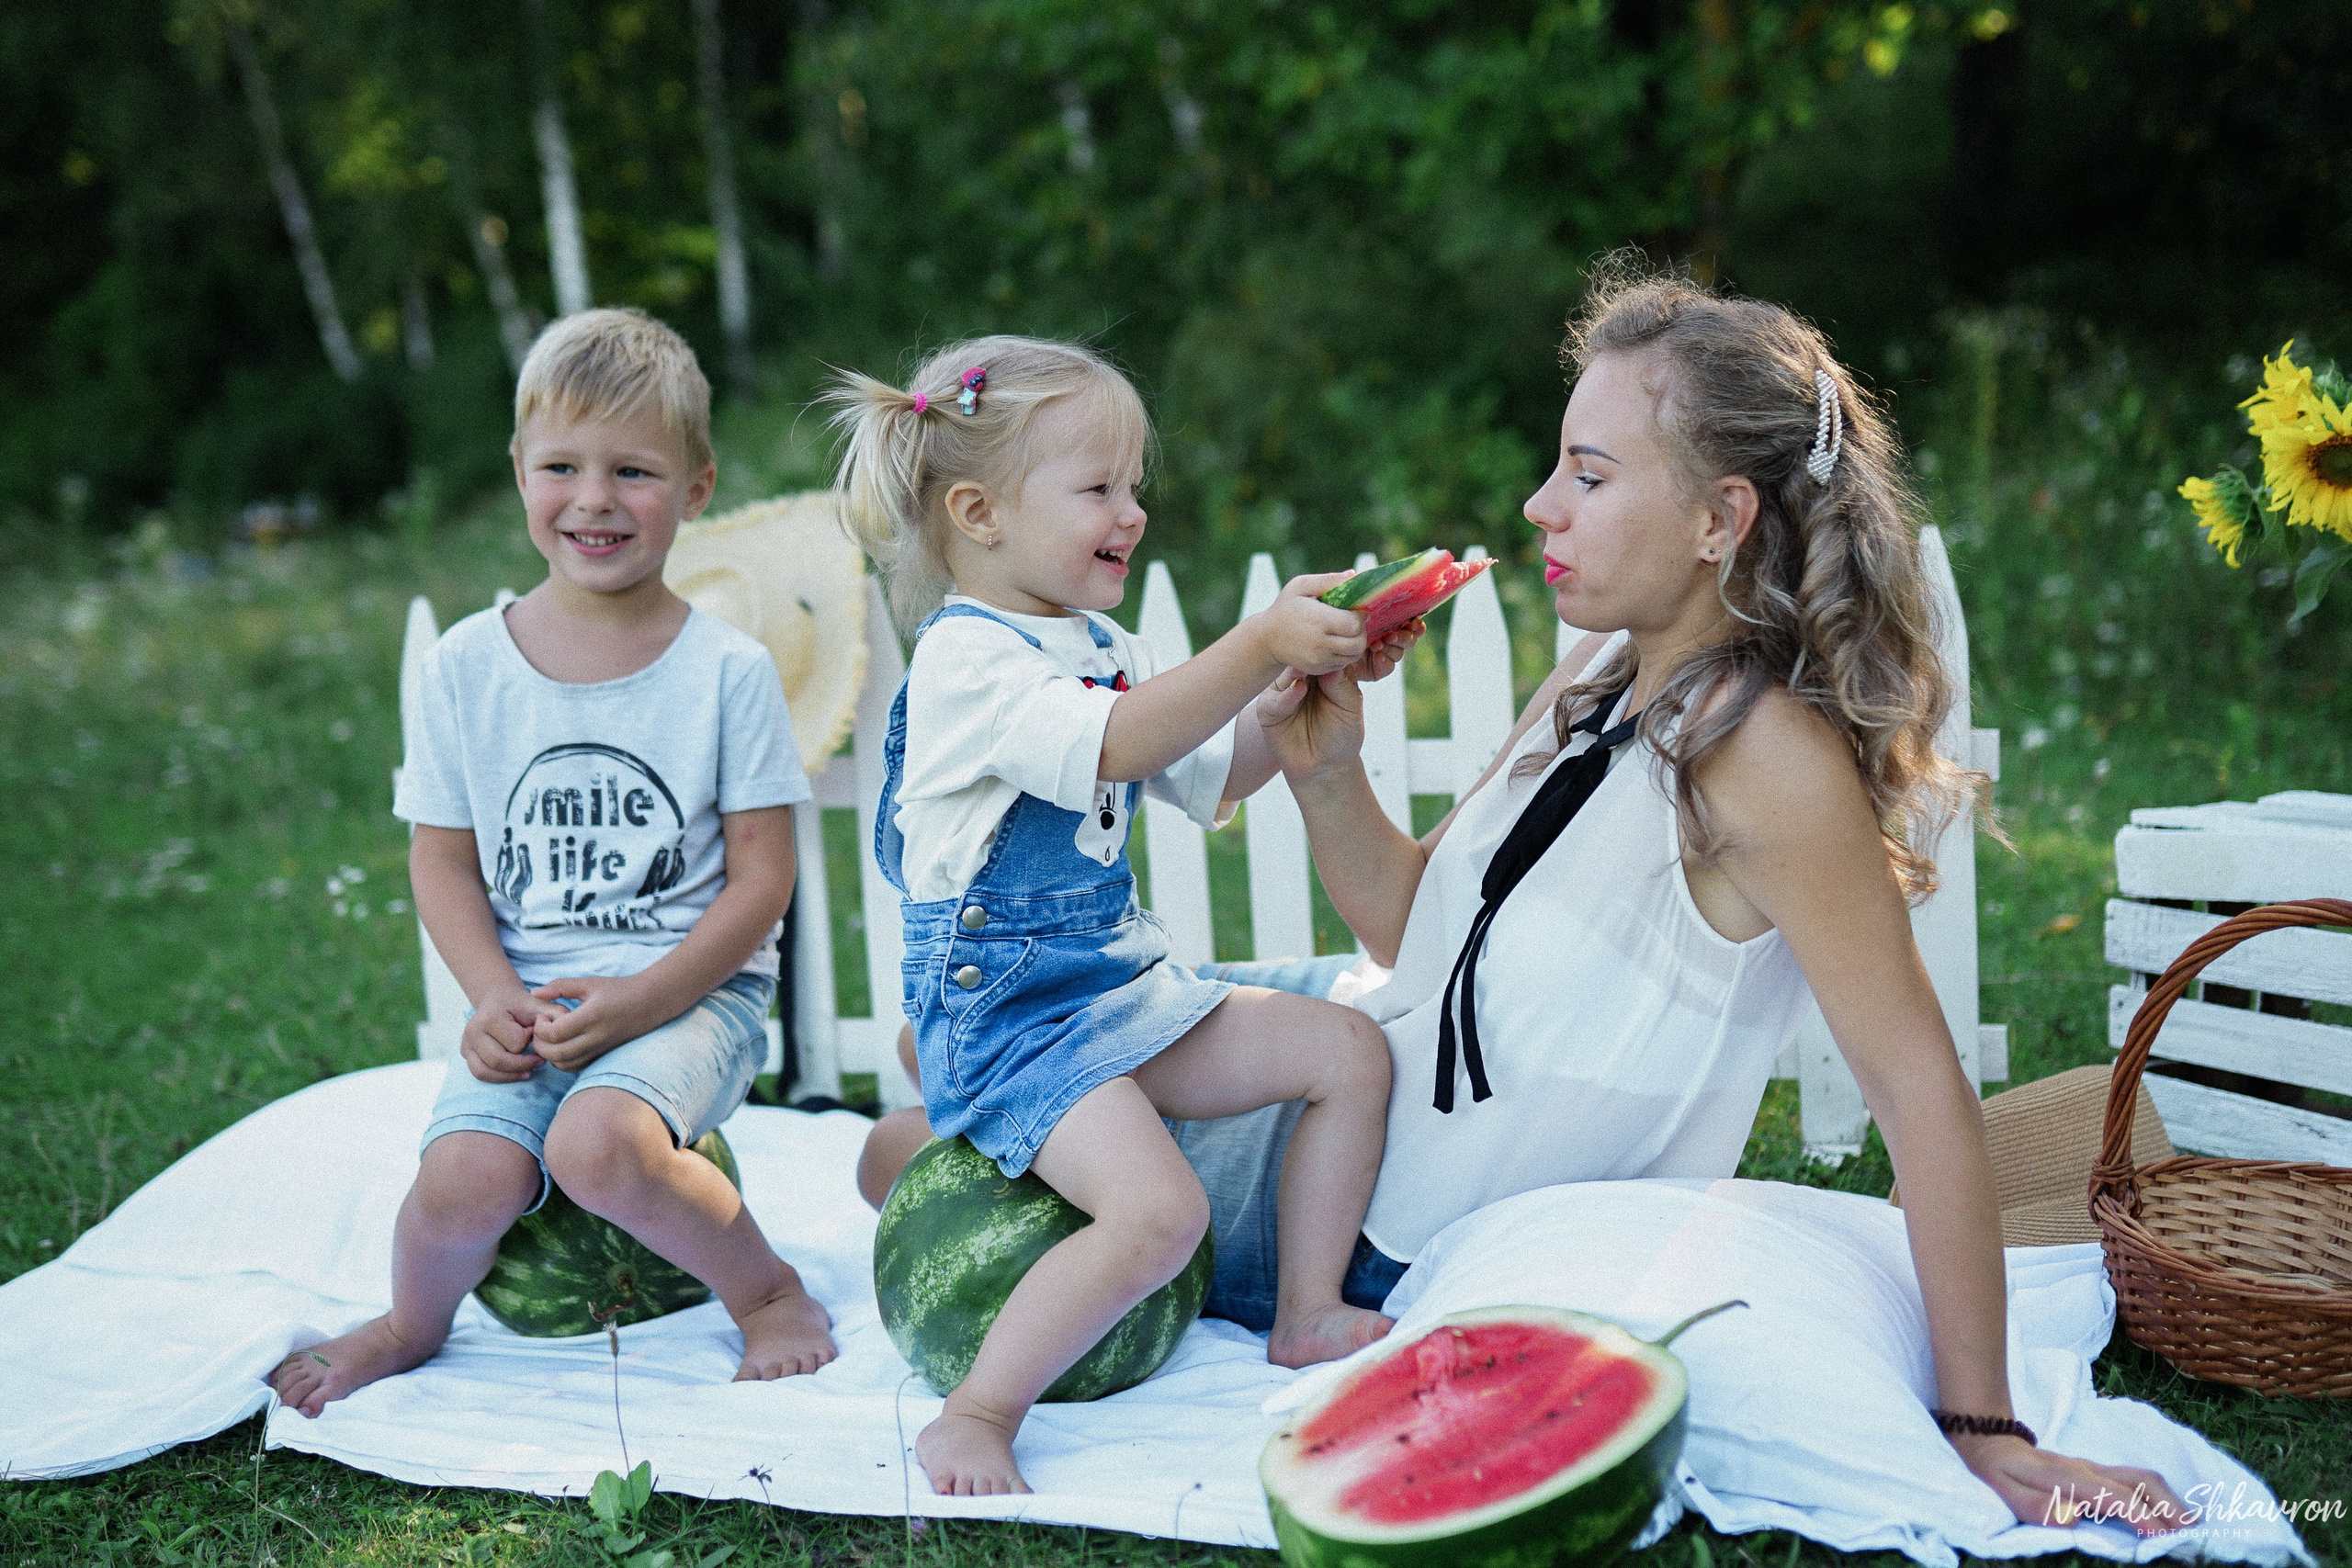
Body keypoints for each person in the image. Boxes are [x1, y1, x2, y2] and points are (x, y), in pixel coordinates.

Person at [854, 269, 2190, 1534]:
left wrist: (1983, 1421)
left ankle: (952, 1091)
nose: (1541, 503)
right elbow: (1417, 929)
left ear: (1720, 519)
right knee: (987, 1120)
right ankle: (963, 1074)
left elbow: (1913, 1084)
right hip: (1350, 1052)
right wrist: (1325, 771)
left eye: (1590, 475)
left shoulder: (1764, 762)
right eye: (1559, 464)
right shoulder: (1601, 672)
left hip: (1366, 1208)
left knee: (945, 1160)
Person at [825, 336, 1410, 1496]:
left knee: (1346, 1049)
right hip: (1014, 1023)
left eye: (1134, 486)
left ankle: (1305, 1309)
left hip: (1117, 992)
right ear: (979, 512)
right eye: (1099, 488)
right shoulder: (965, 661)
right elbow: (1119, 742)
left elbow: (1203, 774)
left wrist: (1291, 699)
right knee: (1159, 1214)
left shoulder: (1099, 646)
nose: (1131, 512)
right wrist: (1252, 645)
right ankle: (978, 1409)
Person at [272, 308, 837, 1418]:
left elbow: (763, 880)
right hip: (529, 999)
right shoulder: (464, 669)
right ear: (519, 473)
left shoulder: (726, 672)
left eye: (633, 471)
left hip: (692, 995)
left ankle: (768, 1292)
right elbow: (441, 862)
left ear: (697, 488)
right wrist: (491, 999)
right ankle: (405, 1324)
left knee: (599, 1145)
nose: (593, 500)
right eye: (562, 468)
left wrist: (641, 1001)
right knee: (460, 1181)